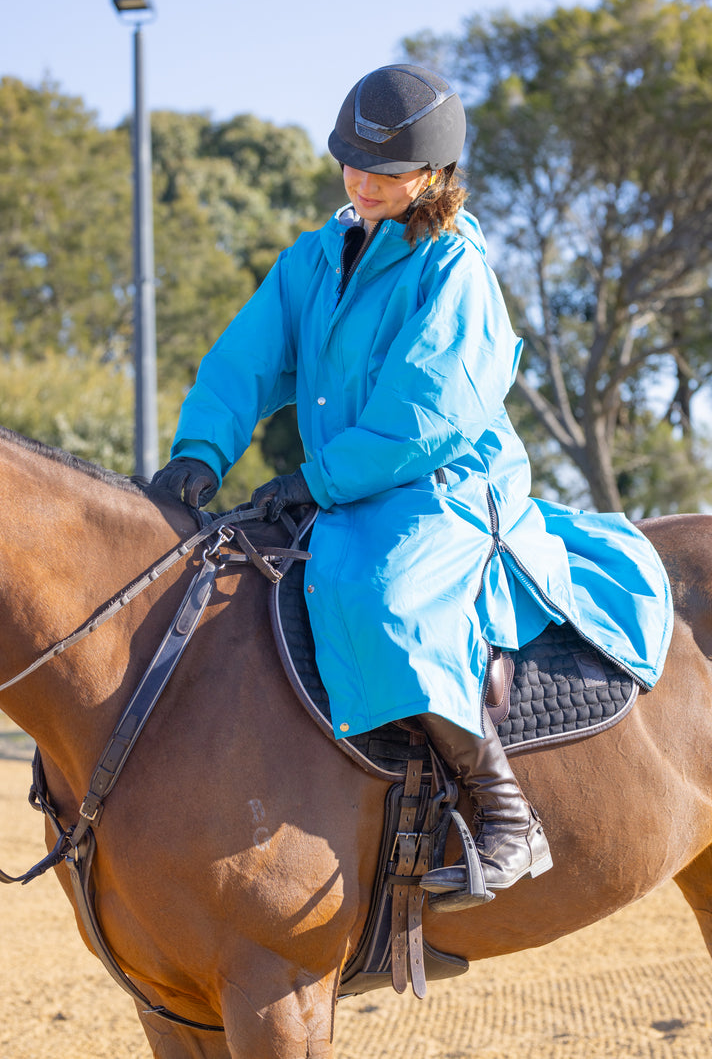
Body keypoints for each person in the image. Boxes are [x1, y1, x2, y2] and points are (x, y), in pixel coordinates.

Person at [151, 65, 673, 910]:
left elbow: (423, 415)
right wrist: (201, 451)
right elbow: (244, 359)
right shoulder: (316, 258)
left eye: (386, 174)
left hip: (444, 484)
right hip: (346, 484)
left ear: (431, 176)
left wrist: (313, 479)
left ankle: (506, 815)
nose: (364, 183)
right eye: (352, 163)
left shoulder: (455, 268)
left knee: (382, 596)